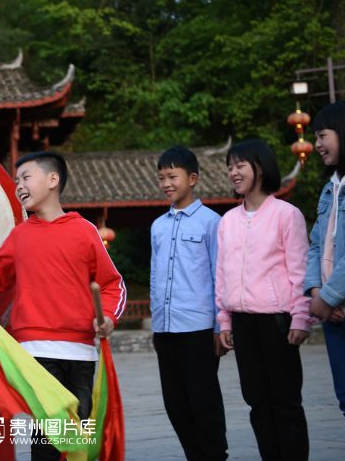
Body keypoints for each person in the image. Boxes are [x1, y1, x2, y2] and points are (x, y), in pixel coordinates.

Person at [0, 151, 127, 461]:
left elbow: (113, 284)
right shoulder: (20, 236)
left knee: (75, 436)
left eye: (25, 177)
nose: (19, 186)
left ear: (52, 180)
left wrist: (108, 316)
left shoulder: (84, 231)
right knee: (47, 438)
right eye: (16, 181)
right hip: (36, 352)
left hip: (80, 351)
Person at [215, 138, 312, 461]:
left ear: (261, 167)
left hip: (276, 321)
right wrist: (224, 320)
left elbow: (299, 270)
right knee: (256, 401)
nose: (234, 172)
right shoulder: (227, 221)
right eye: (230, 167)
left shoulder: (287, 214)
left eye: (240, 165)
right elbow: (222, 275)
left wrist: (301, 317)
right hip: (242, 322)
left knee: (285, 402)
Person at [150, 145, 228, 461]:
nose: (167, 183)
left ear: (192, 178)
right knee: (176, 405)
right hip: (165, 329)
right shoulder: (158, 226)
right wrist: (156, 325)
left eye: (173, 176)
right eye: (162, 178)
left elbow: (219, 274)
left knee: (203, 402)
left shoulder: (212, 222)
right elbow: (156, 276)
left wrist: (220, 326)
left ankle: (214, 456)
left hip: (198, 329)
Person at [304, 101, 345, 455]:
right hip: (332, 312)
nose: (317, 145)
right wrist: (315, 291)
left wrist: (329, 297)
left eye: (323, 136)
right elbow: (315, 245)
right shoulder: (330, 188)